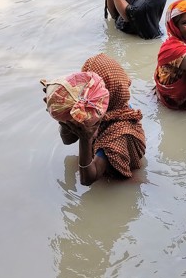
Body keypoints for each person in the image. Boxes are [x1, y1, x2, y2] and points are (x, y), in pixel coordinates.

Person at [42, 53, 146, 185]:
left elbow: (87, 179)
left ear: (108, 93)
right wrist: (62, 112)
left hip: (114, 181)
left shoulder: (120, 133)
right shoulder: (94, 109)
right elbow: (67, 140)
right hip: (95, 159)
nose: (86, 90)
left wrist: (85, 140)